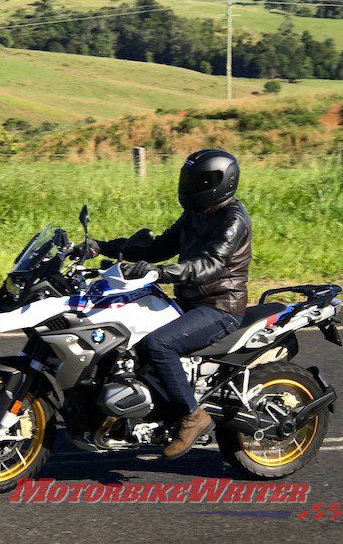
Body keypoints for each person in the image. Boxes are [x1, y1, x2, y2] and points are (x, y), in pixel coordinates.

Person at [84, 148, 251, 459]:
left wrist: (158, 273)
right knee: (123, 333)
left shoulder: (232, 220)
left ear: (218, 183)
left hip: (219, 307)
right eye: (188, 178)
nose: (189, 185)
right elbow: (160, 246)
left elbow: (209, 265)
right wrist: (101, 246)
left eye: (197, 180)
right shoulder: (195, 213)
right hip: (188, 301)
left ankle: (193, 416)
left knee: (158, 345)